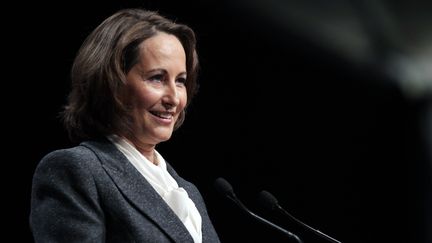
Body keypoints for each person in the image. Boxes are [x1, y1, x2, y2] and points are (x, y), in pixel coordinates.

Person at [29, 8, 220, 243]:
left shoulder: (187, 193)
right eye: (157, 78)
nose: (174, 98)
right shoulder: (77, 171)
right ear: (112, 82)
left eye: (180, 81)